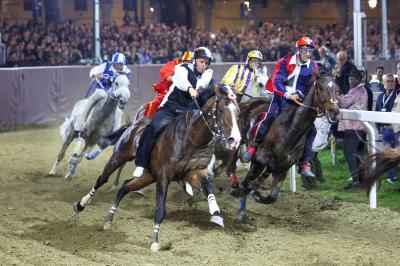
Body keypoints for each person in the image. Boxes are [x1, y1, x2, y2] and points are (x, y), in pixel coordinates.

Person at [243, 37, 318, 178]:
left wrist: (307, 100)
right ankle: (253, 147)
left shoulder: (313, 66)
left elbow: (311, 87)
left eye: (310, 50)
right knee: (270, 117)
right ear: (298, 50)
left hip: (299, 101)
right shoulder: (284, 61)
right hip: (281, 97)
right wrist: (289, 95)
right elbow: (277, 82)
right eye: (304, 50)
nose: (307, 53)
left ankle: (304, 164)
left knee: (311, 129)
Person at [133, 47, 214, 178]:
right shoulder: (181, 68)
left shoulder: (208, 73)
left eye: (206, 62)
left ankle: (191, 168)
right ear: (194, 60)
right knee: (155, 126)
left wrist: (198, 89)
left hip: (189, 111)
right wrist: (189, 88)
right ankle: (141, 163)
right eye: (201, 61)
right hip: (171, 106)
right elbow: (180, 80)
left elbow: (204, 83)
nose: (204, 65)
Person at [75, 52, 132, 137]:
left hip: (115, 94)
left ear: (123, 64)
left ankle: (116, 132)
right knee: (91, 100)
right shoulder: (106, 65)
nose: (117, 67)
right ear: (113, 63)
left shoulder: (127, 71)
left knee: (119, 111)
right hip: (101, 90)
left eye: (119, 65)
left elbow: (124, 82)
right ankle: (80, 125)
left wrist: (110, 79)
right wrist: (96, 75)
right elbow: (92, 72)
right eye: (115, 65)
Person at [337, 69, 368, 189]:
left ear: (360, 79)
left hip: (353, 128)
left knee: (350, 154)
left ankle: (356, 181)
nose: (351, 80)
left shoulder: (357, 90)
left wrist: (335, 96)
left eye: (353, 78)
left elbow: (342, 103)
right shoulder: (359, 90)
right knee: (358, 155)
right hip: (360, 128)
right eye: (350, 78)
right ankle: (361, 181)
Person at [144, 51, 194, 117]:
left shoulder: (197, 68)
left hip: (187, 92)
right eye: (186, 61)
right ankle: (148, 121)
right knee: (157, 102)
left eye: (190, 62)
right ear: (182, 60)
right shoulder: (172, 64)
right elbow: (167, 77)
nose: (187, 63)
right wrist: (178, 80)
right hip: (169, 89)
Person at [375, 73, 398, 183]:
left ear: (394, 83)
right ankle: (389, 175)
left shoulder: (397, 96)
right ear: (384, 83)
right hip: (384, 130)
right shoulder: (380, 96)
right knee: (387, 153)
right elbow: (376, 112)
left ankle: (393, 176)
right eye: (387, 81)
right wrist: (378, 126)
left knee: (394, 154)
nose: (389, 83)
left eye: (392, 81)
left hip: (395, 129)